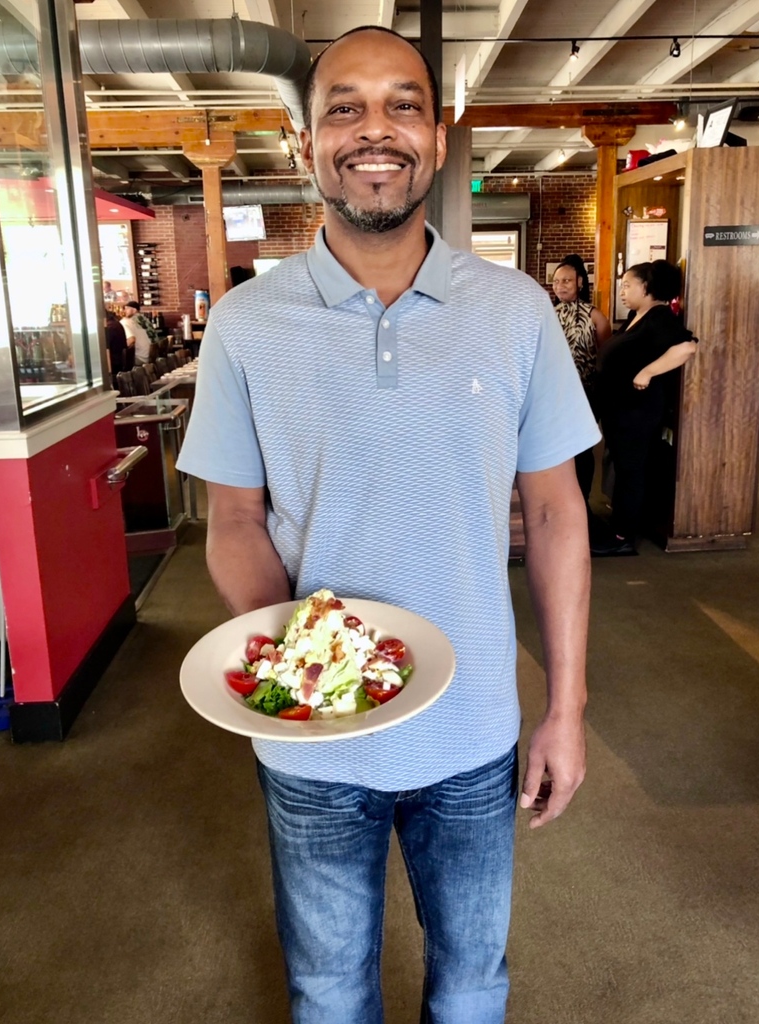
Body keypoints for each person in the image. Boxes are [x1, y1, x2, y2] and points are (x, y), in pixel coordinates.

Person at [177, 25, 599, 1024]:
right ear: (304, 142)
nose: (377, 130)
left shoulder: (516, 308)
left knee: (471, 988)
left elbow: (557, 511)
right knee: (326, 992)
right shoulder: (246, 323)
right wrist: (304, 659)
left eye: (403, 103)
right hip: (311, 751)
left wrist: (567, 709)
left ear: (439, 135)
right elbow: (232, 519)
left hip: (474, 733)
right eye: (345, 107)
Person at [592, 260, 697, 557]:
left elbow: (687, 347)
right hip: (621, 410)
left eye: (628, 285)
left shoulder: (659, 316)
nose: (622, 291)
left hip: (637, 411)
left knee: (630, 471)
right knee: (625, 469)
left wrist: (648, 372)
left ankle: (623, 537)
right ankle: (619, 526)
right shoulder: (637, 316)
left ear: (647, 287)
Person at [552, 254, 611, 500]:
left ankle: (583, 498)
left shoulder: (595, 315)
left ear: (580, 283)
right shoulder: (548, 314)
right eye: (556, 281)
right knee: (559, 448)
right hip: (556, 393)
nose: (560, 285)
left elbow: (605, 356)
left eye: (566, 280)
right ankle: (562, 497)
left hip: (586, 392)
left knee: (583, 449)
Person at [120, 301, 155, 365]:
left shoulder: (125, 322)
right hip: (151, 354)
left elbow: (131, 339)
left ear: (134, 310)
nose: (125, 311)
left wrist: (121, 349)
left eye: (127, 308)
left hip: (141, 358)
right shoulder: (143, 319)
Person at [104, 310, 130, 385]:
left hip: (115, 363)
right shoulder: (116, 324)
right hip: (119, 361)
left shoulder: (110, 327)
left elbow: (104, 346)